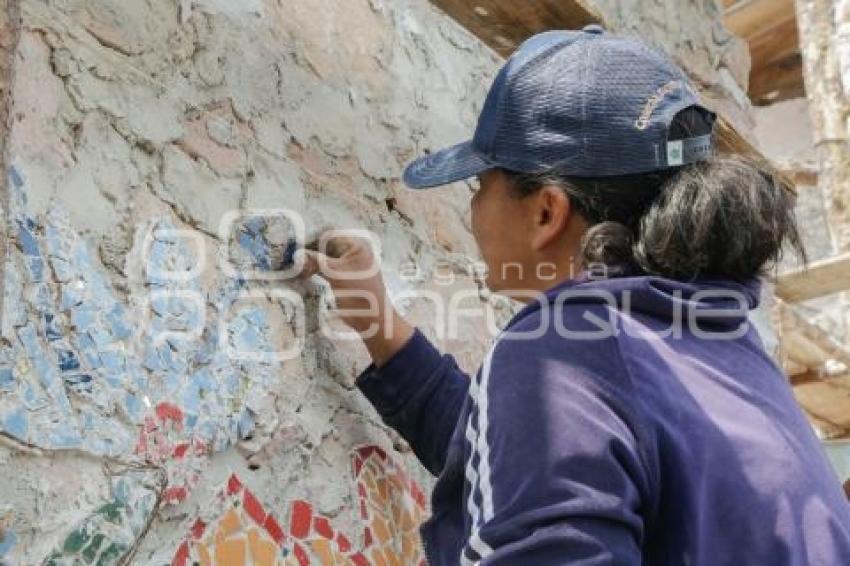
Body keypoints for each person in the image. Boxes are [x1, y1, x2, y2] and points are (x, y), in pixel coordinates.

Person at [299, 27, 850, 565]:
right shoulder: (719, 345)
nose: (471, 209)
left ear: (545, 212)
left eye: (479, 185)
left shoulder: (567, 349)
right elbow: (531, 466)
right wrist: (378, 324)